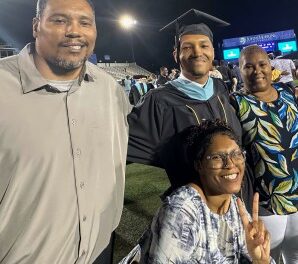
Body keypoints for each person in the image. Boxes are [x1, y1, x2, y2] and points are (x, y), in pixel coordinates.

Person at [0, 0, 130, 263]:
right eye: (60, 20)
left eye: (85, 22)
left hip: (99, 252)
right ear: (36, 26)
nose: (74, 31)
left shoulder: (109, 89)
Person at [123, 120, 273, 263]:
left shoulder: (235, 207)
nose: (230, 164)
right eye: (216, 157)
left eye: (236, 154)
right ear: (199, 165)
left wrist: (261, 260)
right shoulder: (182, 211)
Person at [127, 9, 242, 189]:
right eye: (188, 47)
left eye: (204, 45)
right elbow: (122, 143)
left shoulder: (220, 88)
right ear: (176, 55)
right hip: (196, 207)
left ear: (212, 51)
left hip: (241, 199)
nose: (197, 52)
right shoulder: (159, 101)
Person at [230, 45, 298, 264]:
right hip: (266, 203)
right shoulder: (236, 103)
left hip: (297, 194)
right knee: (268, 257)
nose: (257, 70)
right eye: (248, 66)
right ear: (239, 70)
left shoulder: (288, 92)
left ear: (271, 67)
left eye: (262, 64)